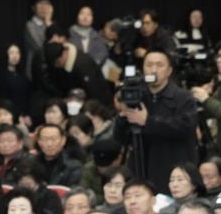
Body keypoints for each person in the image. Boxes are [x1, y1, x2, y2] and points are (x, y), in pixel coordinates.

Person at [113, 50, 197, 194]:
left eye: (159, 65)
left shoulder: (183, 97)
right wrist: (122, 116)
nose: (153, 70)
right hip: (139, 168)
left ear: (169, 70)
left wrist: (148, 121)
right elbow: (120, 138)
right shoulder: (137, 96)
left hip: (171, 170)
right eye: (149, 65)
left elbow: (186, 127)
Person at [42, 42, 112, 106]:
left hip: (97, 102)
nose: (57, 66)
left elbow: (94, 89)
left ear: (64, 53)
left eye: (58, 62)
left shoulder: (83, 64)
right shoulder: (63, 65)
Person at [79, 138, 122, 204]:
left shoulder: (128, 171)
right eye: (98, 164)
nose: (101, 168)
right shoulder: (89, 169)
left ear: (118, 159)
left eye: (106, 165)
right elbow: (84, 193)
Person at [24, 0, 54, 79]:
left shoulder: (52, 24)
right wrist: (48, 22)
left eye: (47, 4)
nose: (44, 7)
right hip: (36, 71)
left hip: (52, 69)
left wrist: (48, 23)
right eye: (40, 4)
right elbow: (39, 46)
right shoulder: (30, 25)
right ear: (33, 8)